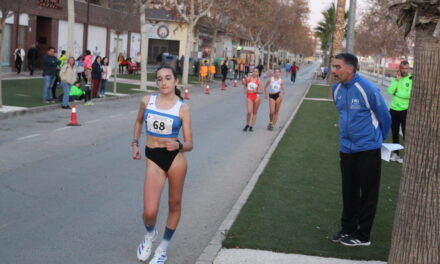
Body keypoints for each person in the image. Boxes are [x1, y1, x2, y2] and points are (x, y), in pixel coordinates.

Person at [132, 65, 193, 264]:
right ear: (156, 82)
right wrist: (135, 143)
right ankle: (150, 235)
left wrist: (179, 144)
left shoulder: (182, 108)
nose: (164, 82)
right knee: (150, 212)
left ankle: (163, 248)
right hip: (153, 158)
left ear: (176, 81)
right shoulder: (147, 101)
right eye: (159, 79)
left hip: (175, 159)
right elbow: (139, 121)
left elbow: (190, 143)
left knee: (174, 204)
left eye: (168, 78)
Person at [329, 53, 391, 247]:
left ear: (351, 69)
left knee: (368, 193)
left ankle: (363, 236)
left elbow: (385, 118)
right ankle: (347, 229)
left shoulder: (368, 89)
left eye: (338, 67)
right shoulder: (336, 90)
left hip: (368, 149)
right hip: (346, 149)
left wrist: (377, 140)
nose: (334, 71)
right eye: (334, 66)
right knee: (349, 191)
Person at [387, 61, 412, 164]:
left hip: (404, 110)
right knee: (395, 133)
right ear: (400, 68)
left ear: (409, 69)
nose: (405, 70)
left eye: (407, 68)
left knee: (406, 134)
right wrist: (396, 81)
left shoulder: (411, 79)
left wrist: (396, 93)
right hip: (393, 110)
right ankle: (396, 154)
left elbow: (408, 95)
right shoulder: (396, 78)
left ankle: (407, 157)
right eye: (403, 68)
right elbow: (389, 90)